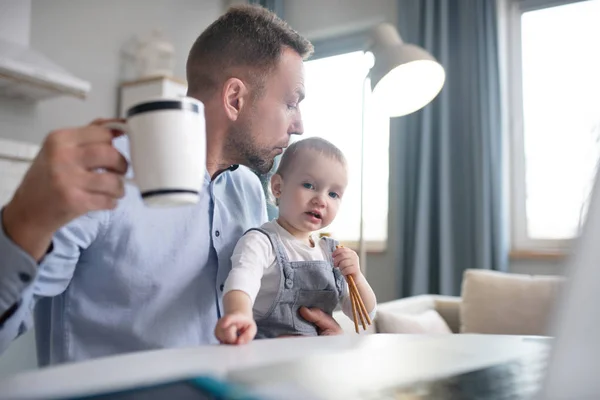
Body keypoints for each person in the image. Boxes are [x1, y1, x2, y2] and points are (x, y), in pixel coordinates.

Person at [0, 5, 342, 366]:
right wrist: (21, 223)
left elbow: (245, 316)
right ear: (235, 99)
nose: (300, 125)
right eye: (291, 104)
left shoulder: (247, 189)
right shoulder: (102, 173)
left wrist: (307, 339)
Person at [214, 138, 377, 344]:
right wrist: (239, 315)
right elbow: (241, 282)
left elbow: (365, 316)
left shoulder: (332, 253)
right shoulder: (261, 242)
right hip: (267, 358)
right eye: (309, 185)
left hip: (317, 360)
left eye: (333, 194)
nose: (321, 200)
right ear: (278, 187)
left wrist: (357, 276)